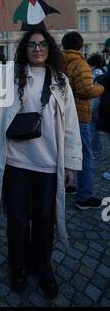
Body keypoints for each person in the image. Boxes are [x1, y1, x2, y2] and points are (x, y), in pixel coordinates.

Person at [0, 17, 82, 300]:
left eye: (42, 44)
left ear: (49, 49)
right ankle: (18, 267)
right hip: (15, 162)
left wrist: (71, 163)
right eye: (32, 44)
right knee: (19, 219)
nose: (37, 48)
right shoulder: (9, 73)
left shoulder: (60, 81)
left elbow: (71, 124)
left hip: (49, 163)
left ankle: (43, 266)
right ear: (25, 48)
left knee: (45, 219)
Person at [62, 32, 104, 210]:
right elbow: (86, 91)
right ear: (80, 46)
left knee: (65, 151)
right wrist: (101, 88)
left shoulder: (59, 62)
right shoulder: (80, 63)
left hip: (62, 114)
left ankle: (68, 185)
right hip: (79, 115)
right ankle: (84, 196)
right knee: (86, 154)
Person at [87, 53, 104, 160]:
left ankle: (95, 151)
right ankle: (97, 151)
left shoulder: (94, 75)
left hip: (94, 105)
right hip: (100, 104)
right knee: (95, 130)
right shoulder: (102, 73)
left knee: (93, 129)